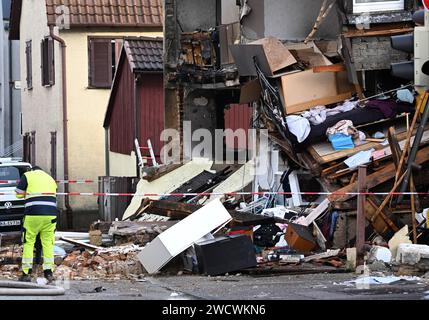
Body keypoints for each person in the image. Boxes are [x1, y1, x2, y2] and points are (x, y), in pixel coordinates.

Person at [15, 166, 58, 282]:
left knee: (29, 242)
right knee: (48, 243)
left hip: (33, 214)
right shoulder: (50, 178)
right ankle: (48, 273)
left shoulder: (28, 175)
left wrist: (27, 193)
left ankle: (26, 273)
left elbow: (18, 194)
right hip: (50, 215)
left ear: (31, 170)